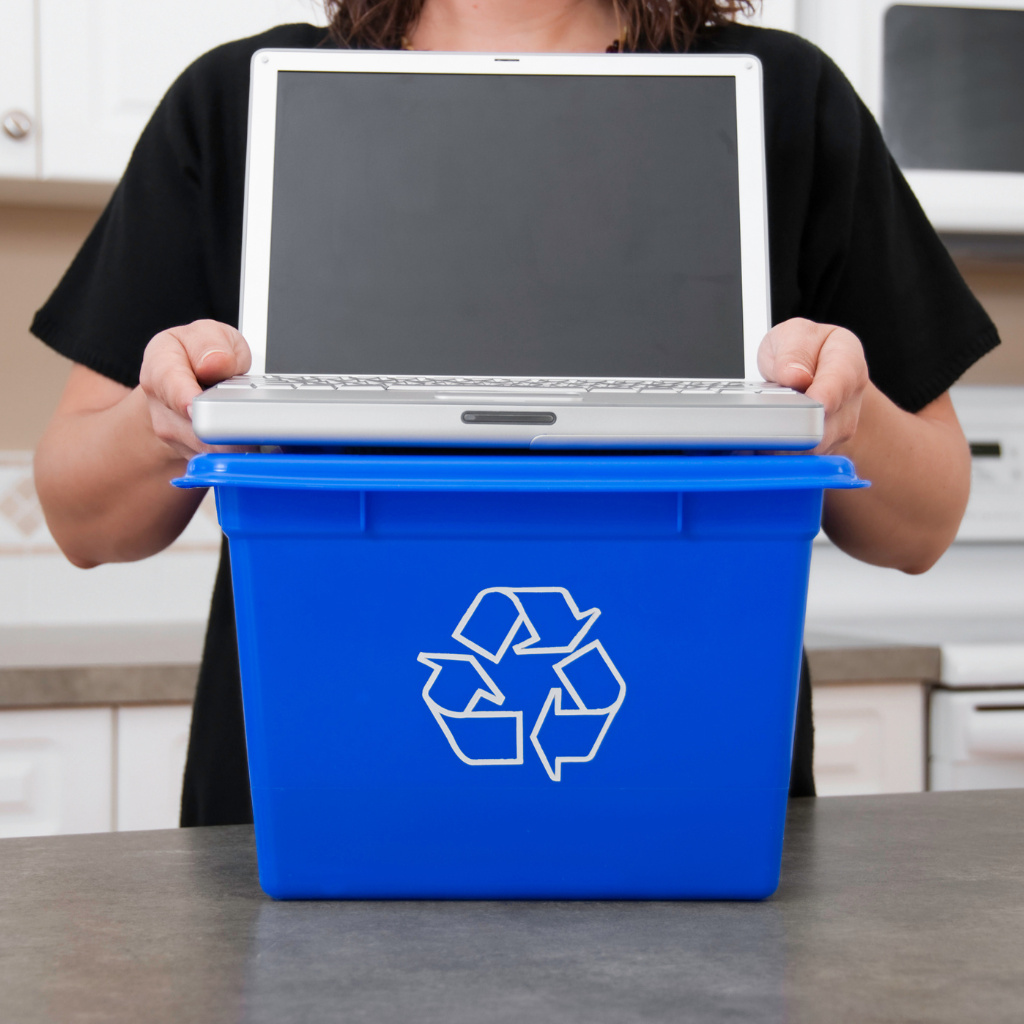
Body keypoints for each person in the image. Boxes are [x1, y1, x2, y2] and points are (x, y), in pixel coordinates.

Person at [31, 0, 997, 824]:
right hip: (314, 785)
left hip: (687, 790)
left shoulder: (784, 100)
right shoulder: (242, 106)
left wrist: (843, 409)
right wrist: (173, 409)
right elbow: (83, 519)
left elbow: (925, 522)